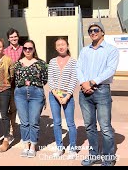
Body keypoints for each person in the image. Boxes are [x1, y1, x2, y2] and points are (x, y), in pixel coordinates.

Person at [76, 22, 119, 166]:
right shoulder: (84, 50)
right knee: (89, 126)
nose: (92, 32)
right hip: (84, 92)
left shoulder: (111, 50)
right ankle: (94, 155)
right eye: (90, 31)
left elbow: (110, 70)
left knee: (105, 127)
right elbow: (79, 68)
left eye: (96, 30)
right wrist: (84, 83)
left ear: (102, 32)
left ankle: (108, 158)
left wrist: (92, 82)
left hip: (101, 91)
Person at [14, 40, 48, 158]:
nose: (27, 50)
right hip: (20, 94)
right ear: (23, 50)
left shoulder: (41, 64)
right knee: (24, 122)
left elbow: (45, 79)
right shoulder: (17, 64)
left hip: (36, 93)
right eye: (25, 48)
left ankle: (33, 146)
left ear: (34, 49)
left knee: (34, 121)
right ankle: (25, 145)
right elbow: (14, 79)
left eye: (30, 48)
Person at [48, 37, 77, 159]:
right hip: (54, 95)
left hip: (67, 95)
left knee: (70, 123)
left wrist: (67, 96)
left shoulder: (73, 61)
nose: (61, 47)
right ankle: (59, 148)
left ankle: (73, 149)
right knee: (57, 122)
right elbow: (51, 79)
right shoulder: (52, 61)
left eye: (63, 44)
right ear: (55, 48)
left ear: (67, 46)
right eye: (58, 45)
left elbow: (73, 79)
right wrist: (56, 94)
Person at [3, 28, 23, 143]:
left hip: (21, 84)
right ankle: (11, 129)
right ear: (8, 39)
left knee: (18, 107)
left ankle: (17, 127)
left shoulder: (24, 49)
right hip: (9, 84)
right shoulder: (5, 51)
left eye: (15, 36)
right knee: (10, 107)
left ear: (18, 37)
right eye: (11, 37)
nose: (13, 39)